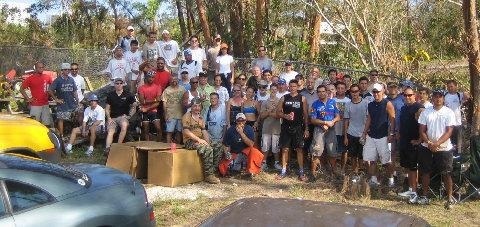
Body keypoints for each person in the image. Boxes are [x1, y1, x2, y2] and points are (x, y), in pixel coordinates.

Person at [417, 89, 456, 209]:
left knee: (446, 173)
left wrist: (437, 143)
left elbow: (449, 131)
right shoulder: (426, 112)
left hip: (444, 148)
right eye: (435, 96)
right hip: (427, 146)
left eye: (440, 96)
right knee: (425, 172)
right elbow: (422, 130)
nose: (438, 99)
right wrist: (429, 142)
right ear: (432, 98)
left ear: (443, 98)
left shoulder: (449, 112)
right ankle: (424, 196)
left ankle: (449, 198)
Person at [361, 83, 396, 187]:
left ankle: (390, 179)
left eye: (378, 92)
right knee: (371, 160)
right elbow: (369, 119)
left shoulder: (387, 103)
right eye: (374, 92)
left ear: (382, 92)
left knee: (386, 161)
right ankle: (374, 179)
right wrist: (364, 133)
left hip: (384, 136)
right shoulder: (370, 104)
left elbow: (392, 119)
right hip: (372, 136)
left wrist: (391, 133)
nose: (376, 94)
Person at [183, 97, 223, 184]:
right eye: (194, 106)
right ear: (191, 107)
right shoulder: (187, 116)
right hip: (190, 141)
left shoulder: (201, 118)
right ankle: (208, 176)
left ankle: (213, 171)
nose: (197, 108)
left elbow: (204, 131)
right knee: (207, 149)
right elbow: (186, 131)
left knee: (218, 146)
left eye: (198, 106)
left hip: (200, 140)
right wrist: (199, 140)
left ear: (201, 107)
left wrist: (207, 142)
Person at [276, 79, 309, 181]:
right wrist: (285, 116)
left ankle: (301, 171)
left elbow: (305, 114)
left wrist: (306, 128)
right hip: (286, 127)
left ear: (297, 87)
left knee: (299, 149)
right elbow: (278, 112)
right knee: (285, 149)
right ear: (288, 87)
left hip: (298, 127)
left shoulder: (302, 98)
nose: (292, 88)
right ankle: (283, 170)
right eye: (291, 86)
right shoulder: (284, 98)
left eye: (294, 86)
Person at [397, 87, 425, 203]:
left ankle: (414, 192)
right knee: (407, 166)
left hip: (414, 142)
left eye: (410, 95)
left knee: (413, 167)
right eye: (405, 95)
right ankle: (410, 189)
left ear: (415, 95)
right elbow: (402, 123)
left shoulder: (419, 108)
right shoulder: (403, 108)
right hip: (404, 141)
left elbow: (423, 126)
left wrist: (419, 140)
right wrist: (398, 133)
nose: (407, 97)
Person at [219, 113, 264, 178]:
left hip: (246, 153)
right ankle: (234, 170)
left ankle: (251, 171)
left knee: (255, 152)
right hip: (235, 153)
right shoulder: (230, 130)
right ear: (236, 121)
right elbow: (225, 144)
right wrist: (227, 153)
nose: (240, 122)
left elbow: (251, 144)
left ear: (245, 121)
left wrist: (241, 133)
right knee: (223, 166)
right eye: (238, 121)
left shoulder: (249, 129)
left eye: (242, 121)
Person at [310, 85, 340, 179]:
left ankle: (334, 172)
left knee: (332, 152)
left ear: (326, 92)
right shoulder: (315, 104)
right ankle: (313, 174)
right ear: (317, 93)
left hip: (331, 130)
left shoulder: (333, 102)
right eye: (319, 91)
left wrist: (332, 122)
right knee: (316, 152)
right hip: (319, 130)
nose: (321, 93)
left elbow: (338, 116)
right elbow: (312, 120)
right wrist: (325, 122)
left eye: (323, 91)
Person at [105, 78, 136, 154]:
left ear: (123, 84)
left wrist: (129, 116)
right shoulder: (110, 95)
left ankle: (118, 146)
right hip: (113, 118)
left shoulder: (128, 94)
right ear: (114, 84)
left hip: (123, 117)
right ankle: (107, 148)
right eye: (117, 83)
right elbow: (107, 108)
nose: (119, 85)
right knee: (110, 131)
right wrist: (109, 118)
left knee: (124, 125)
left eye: (120, 83)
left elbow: (134, 106)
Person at [343, 84, 368, 176]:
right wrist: (345, 136)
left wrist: (366, 133)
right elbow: (346, 121)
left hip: (362, 134)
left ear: (359, 92)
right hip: (351, 133)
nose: (354, 93)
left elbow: (369, 119)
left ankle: (361, 172)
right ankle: (354, 172)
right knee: (353, 156)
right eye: (352, 92)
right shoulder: (348, 105)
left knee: (362, 156)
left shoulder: (365, 103)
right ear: (350, 93)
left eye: (356, 91)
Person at [49, 63, 79, 137]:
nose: (67, 71)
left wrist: (77, 101)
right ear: (62, 70)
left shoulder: (71, 79)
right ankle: (61, 135)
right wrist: (56, 99)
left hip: (71, 103)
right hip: (62, 104)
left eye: (68, 69)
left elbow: (74, 91)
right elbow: (50, 90)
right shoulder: (58, 80)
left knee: (75, 118)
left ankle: (74, 133)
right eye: (65, 69)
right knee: (60, 119)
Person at [20, 61, 53, 126]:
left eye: (42, 67)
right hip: (35, 105)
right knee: (34, 124)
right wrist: (28, 99)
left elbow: (51, 88)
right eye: (39, 67)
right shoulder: (30, 78)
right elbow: (21, 89)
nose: (41, 69)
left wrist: (52, 96)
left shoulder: (47, 77)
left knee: (46, 125)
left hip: (45, 104)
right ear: (35, 68)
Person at [259, 83, 282, 170]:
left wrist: (269, 113)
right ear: (269, 90)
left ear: (277, 90)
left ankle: (276, 163)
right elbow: (261, 116)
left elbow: (279, 115)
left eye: (275, 89)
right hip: (266, 128)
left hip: (276, 128)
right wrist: (270, 111)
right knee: (265, 146)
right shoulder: (265, 102)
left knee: (275, 147)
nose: (273, 91)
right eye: (272, 89)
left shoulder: (280, 101)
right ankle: (264, 163)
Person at [138, 71, 162, 141]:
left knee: (158, 128)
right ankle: (147, 146)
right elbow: (142, 102)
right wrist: (154, 100)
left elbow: (158, 103)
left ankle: (159, 144)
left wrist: (147, 106)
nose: (151, 79)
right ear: (146, 78)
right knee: (146, 130)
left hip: (153, 110)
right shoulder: (141, 88)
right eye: (149, 77)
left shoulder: (158, 87)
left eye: (153, 77)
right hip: (144, 111)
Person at [444, 80, 466, 154]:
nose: (450, 88)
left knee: (457, 142)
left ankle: (457, 157)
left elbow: (467, 96)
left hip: (457, 123)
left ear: (456, 86)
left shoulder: (459, 95)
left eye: (451, 86)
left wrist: (463, 89)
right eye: (448, 87)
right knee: (448, 141)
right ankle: (450, 156)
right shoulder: (445, 95)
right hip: (447, 123)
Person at [334, 82, 351, 174]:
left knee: (344, 150)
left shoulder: (348, 101)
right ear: (336, 89)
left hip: (345, 129)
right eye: (338, 88)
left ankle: (343, 168)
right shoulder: (332, 100)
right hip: (334, 128)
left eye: (342, 88)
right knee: (333, 150)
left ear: (345, 89)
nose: (340, 90)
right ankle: (333, 168)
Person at [386, 82, 404, 170]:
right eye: (390, 87)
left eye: (394, 87)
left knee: (403, 153)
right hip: (389, 131)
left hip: (401, 130)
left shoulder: (403, 99)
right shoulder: (385, 100)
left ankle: (406, 176)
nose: (393, 89)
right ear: (387, 89)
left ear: (397, 88)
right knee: (391, 153)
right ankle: (392, 175)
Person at [162, 76, 186, 143]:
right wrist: (166, 114)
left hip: (181, 114)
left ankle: (177, 147)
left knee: (179, 131)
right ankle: (167, 147)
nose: (174, 80)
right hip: (170, 114)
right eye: (172, 79)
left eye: (175, 79)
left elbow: (185, 100)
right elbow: (164, 103)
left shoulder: (182, 89)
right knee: (169, 132)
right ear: (170, 81)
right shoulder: (167, 90)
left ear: (178, 80)